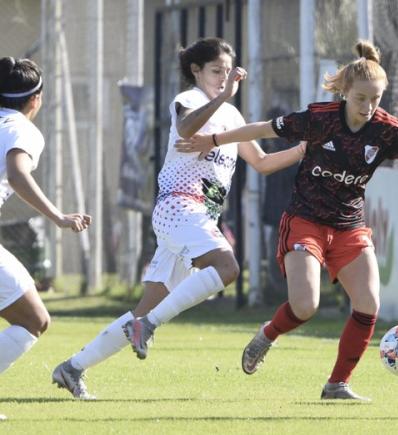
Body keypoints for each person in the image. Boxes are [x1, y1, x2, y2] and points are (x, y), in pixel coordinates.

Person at [176, 40, 398, 401]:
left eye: (376, 99)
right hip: (305, 221)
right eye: (360, 98)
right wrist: (212, 139)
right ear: (344, 92)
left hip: (350, 225)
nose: (368, 107)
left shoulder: (390, 130)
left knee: (369, 303)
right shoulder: (320, 118)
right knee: (306, 306)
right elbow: (260, 130)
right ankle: (268, 334)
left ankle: (337, 384)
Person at [52, 38, 305, 399]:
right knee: (228, 268)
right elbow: (187, 130)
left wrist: (300, 150)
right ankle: (148, 327)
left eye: (228, 71)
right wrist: (223, 96)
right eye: (216, 71)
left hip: (199, 218)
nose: (223, 78)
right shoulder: (191, 100)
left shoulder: (231, 116)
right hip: (178, 208)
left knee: (144, 308)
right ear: (195, 70)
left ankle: (72, 368)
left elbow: (262, 163)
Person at [0, 56, 91, 417]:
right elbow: (18, 173)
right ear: (35, 99)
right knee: (33, 319)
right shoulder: (20, 128)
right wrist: (58, 216)